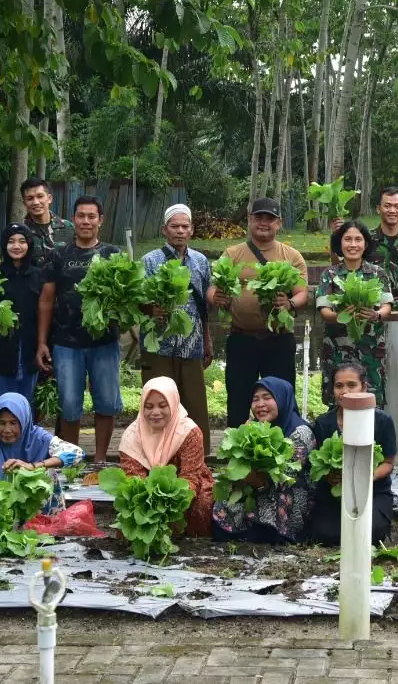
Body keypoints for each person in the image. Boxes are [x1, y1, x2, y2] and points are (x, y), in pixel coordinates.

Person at [36, 196, 123, 463]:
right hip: (66, 343)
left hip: (104, 342)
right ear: (73, 219)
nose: (86, 221)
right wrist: (42, 342)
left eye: (91, 216)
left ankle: (99, 460)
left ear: (100, 220)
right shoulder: (58, 255)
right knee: (70, 406)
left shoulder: (112, 254)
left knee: (106, 404)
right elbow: (47, 300)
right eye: (81, 216)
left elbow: (125, 298)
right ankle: (71, 460)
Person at [209, 197, 309, 427]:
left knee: (280, 399)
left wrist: (289, 303)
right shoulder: (232, 253)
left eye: (270, 219)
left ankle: (284, 452)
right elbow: (213, 287)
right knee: (239, 398)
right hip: (242, 339)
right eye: (259, 217)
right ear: (249, 220)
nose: (264, 222)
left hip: (278, 340)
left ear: (279, 223)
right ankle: (239, 450)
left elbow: (302, 294)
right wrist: (215, 296)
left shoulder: (291, 256)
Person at [211, 377, 315, 544]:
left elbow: (287, 479)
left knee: (264, 529)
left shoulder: (300, 433)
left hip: (289, 495)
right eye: (255, 399)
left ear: (282, 399)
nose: (260, 404)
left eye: (267, 397)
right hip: (256, 486)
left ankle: (270, 531)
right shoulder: (253, 426)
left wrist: (258, 481)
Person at [138, 204, 214, 431]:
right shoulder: (149, 261)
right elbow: (136, 301)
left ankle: (195, 458)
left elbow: (203, 308)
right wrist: (149, 309)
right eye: (175, 226)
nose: (180, 231)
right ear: (165, 230)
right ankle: (156, 455)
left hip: (192, 345)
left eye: (185, 226)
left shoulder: (200, 261)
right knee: (158, 403)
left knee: (194, 405)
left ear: (191, 230)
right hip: (158, 346)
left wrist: (207, 340)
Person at [306, 362, 396, 544]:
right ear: (332, 390)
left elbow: (388, 462)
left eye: (352, 385)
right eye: (339, 386)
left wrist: (367, 477)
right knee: (327, 535)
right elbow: (315, 464)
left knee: (370, 532)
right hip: (334, 493)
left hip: (373, 492)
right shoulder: (324, 423)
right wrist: (329, 476)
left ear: (364, 387)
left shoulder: (382, 421)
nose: (345, 391)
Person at [117, 377, 214, 538]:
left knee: (202, 504)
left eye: (163, 406)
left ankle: (194, 542)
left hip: (184, 490)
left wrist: (170, 501)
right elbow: (133, 480)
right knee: (127, 518)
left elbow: (191, 478)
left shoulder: (189, 432)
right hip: (146, 494)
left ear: (174, 404)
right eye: (149, 407)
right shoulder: (131, 437)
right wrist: (151, 501)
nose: (155, 412)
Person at [316, 221, 395, 399]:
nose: (353, 245)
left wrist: (376, 315)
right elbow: (324, 312)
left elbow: (387, 306)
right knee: (337, 402)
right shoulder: (329, 275)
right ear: (340, 243)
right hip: (337, 351)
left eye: (358, 239)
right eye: (348, 239)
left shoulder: (377, 273)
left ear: (365, 244)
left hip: (371, 351)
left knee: (371, 402)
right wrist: (341, 316)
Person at [0, 224, 43, 415]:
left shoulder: (38, 276)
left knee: (25, 410)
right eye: (11, 241)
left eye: (22, 241)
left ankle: (24, 445)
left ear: (30, 245)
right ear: (3, 245)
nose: (17, 246)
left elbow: (46, 313)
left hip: (28, 353)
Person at [19, 177, 76, 267]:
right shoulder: (19, 232)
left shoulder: (69, 228)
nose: (36, 202)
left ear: (49, 198)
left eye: (40, 196)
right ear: (24, 203)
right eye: (30, 198)